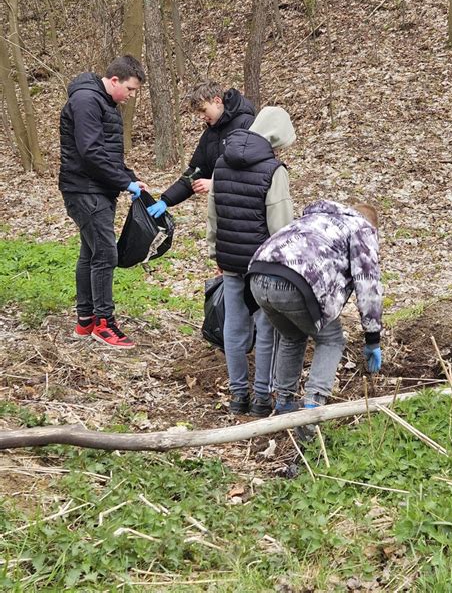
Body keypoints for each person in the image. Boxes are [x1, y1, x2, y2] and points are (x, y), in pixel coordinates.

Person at [247, 200, 383, 423]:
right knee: (332, 340)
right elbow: (368, 285)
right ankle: (313, 408)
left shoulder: (316, 218)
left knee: (292, 336)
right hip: (297, 284)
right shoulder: (362, 228)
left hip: (257, 276)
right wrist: (373, 339)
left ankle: (284, 404)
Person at [207, 106, 296, 417]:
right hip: (262, 265)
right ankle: (261, 397)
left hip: (230, 259)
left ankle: (237, 395)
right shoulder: (274, 170)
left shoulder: (221, 163)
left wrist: (214, 251)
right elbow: (281, 226)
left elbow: (213, 215)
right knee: (267, 326)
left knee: (234, 325)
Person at [59, 54, 147, 349]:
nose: (131, 96)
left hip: (97, 189)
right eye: (131, 89)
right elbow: (91, 153)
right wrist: (124, 182)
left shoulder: (104, 103)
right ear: (113, 81)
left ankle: (85, 321)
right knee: (106, 255)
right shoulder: (87, 101)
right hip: (85, 190)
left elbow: (109, 155)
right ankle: (104, 324)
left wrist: (131, 178)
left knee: (91, 253)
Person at [147, 81, 255, 219]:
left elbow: (254, 173)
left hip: (249, 211)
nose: (201, 117)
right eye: (198, 113)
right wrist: (166, 200)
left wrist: (216, 184)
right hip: (223, 212)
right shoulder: (209, 135)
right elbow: (195, 173)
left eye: (203, 110)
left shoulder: (247, 124)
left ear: (217, 101)